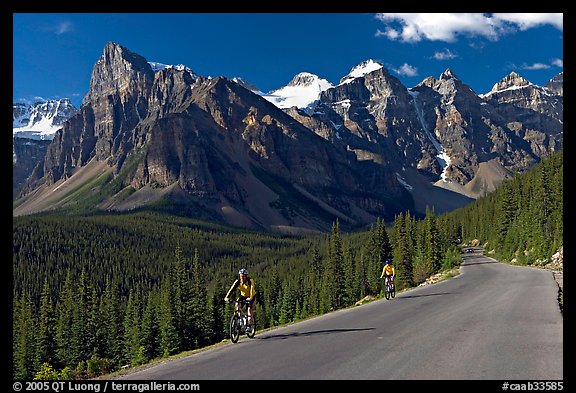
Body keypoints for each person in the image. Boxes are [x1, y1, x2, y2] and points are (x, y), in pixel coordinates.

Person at [224, 268, 257, 332]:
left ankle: (249, 326)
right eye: (241, 276)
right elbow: (232, 289)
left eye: (244, 276)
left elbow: (252, 290)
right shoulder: (238, 281)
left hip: (251, 296)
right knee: (237, 305)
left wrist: (250, 298)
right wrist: (227, 297)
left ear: (246, 276)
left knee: (249, 310)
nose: (242, 278)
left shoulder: (250, 281)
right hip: (243, 296)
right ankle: (240, 319)